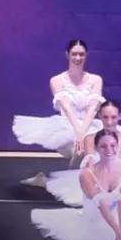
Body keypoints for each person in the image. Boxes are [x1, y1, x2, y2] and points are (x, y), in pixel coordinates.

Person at [44, 100, 121, 216]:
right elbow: (90, 164)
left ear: (120, 116)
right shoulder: (90, 138)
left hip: (116, 180)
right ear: (99, 117)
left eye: (113, 117)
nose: (109, 122)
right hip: (95, 179)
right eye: (105, 117)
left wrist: (112, 188)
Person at [13, 39, 103, 186]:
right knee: (81, 150)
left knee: (91, 157)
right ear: (67, 55)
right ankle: (67, 184)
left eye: (81, 54)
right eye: (74, 54)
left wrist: (83, 132)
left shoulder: (96, 80)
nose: (78, 58)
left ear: (87, 55)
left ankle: (50, 181)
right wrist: (79, 134)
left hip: (89, 125)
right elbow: (67, 108)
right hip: (65, 126)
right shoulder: (56, 80)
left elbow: (93, 109)